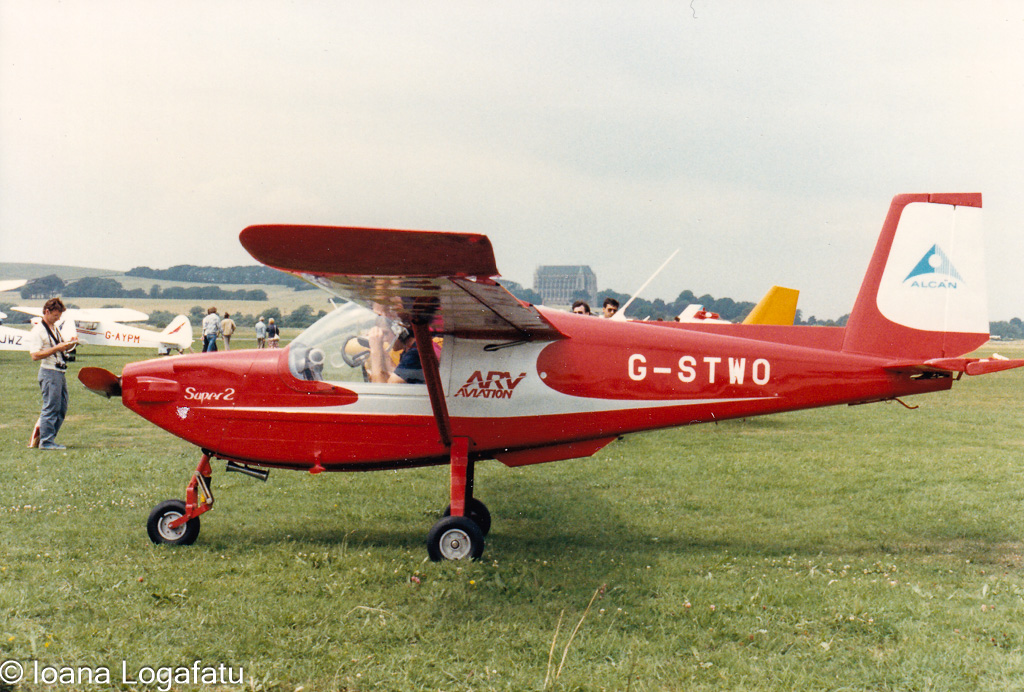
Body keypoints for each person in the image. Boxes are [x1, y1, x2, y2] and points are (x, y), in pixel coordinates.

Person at [27, 297, 78, 450]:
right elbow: (35, 355)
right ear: (47, 312)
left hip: (59, 372)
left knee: (61, 407)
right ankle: (46, 442)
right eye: (56, 315)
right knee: (51, 408)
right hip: (49, 372)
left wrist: (70, 344)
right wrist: (57, 348)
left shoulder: (54, 327)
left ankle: (48, 439)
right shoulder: (38, 331)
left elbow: (58, 346)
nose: (58, 319)